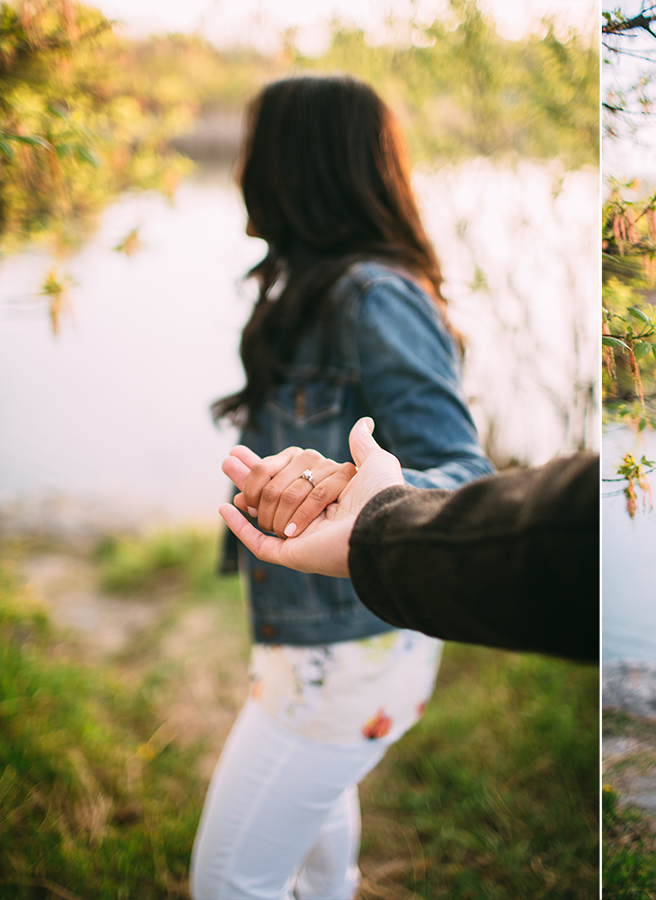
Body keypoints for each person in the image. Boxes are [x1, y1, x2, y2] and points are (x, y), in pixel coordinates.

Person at [192, 75, 493, 900]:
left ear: (298, 165)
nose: (242, 168)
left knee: (227, 882)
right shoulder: (312, 285)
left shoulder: (374, 295)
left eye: (258, 148)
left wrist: (347, 483)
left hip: (353, 651)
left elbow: (467, 476)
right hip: (323, 638)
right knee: (321, 854)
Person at [218, 416, 599, 663]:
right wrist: (380, 522)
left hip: (350, 643)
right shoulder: (283, 314)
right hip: (292, 628)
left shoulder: (380, 297)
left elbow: (466, 469)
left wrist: (385, 513)